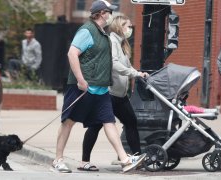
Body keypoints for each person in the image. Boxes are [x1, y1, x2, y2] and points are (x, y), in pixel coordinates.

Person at [51, 0, 146, 173]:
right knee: (68, 122)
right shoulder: (87, 31)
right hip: (83, 87)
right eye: (110, 12)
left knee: (109, 122)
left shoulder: (102, 33)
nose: (111, 15)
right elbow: (72, 53)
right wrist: (80, 80)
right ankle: (58, 159)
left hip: (101, 89)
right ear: (102, 13)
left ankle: (124, 159)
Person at [78, 15, 149, 171]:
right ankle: (84, 161)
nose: (130, 29)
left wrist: (137, 73)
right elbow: (114, 64)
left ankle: (137, 158)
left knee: (131, 122)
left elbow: (127, 65)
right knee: (95, 126)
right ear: (118, 26)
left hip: (120, 95)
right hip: (108, 93)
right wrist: (134, 74)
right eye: (127, 26)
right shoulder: (111, 41)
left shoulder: (123, 44)